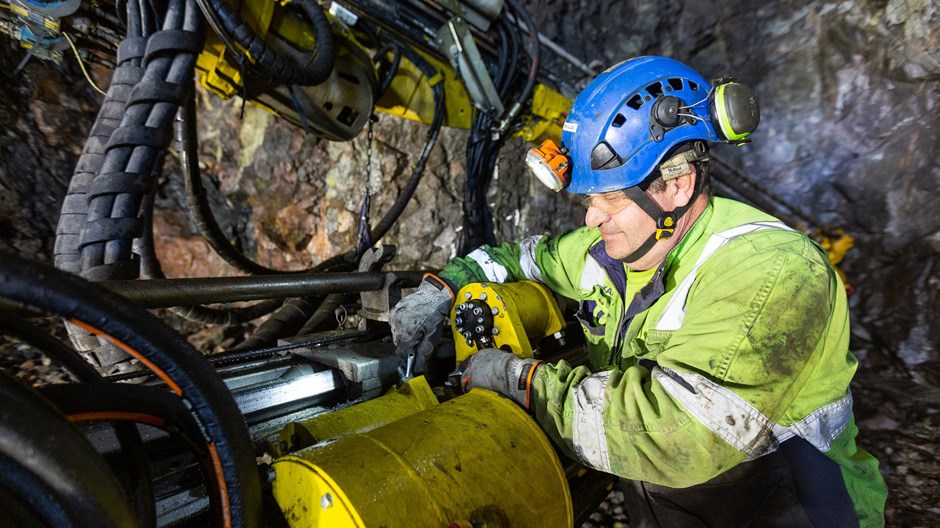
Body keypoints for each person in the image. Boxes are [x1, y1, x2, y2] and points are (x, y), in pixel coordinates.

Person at [390, 56, 887, 527]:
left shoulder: (773, 269)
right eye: (588, 198)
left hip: (793, 511)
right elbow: (517, 258)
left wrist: (524, 384)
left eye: (608, 198)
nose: (590, 217)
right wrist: (443, 288)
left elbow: (677, 436)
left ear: (676, 186)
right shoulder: (613, 250)